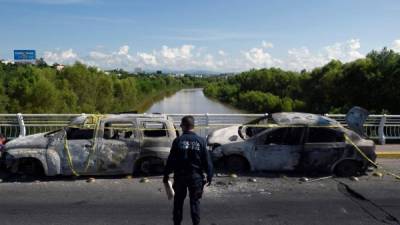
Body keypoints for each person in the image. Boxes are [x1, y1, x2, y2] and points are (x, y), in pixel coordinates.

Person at [163, 115, 214, 225]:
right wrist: (210, 176)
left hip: (180, 177)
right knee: (194, 203)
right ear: (193, 126)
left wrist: (166, 176)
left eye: (181, 125)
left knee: (178, 203)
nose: (181, 127)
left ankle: (177, 223)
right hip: (196, 178)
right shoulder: (201, 141)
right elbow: (207, 161)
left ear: (184, 126)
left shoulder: (178, 141)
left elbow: (171, 160)